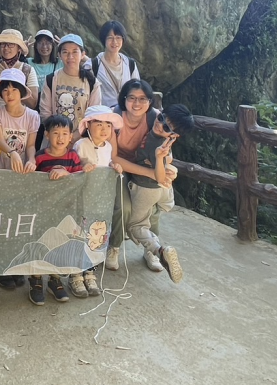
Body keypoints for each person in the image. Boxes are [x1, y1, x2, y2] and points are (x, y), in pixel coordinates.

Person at [125, 104, 195, 283]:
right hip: (163, 192)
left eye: (166, 127)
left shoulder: (154, 144)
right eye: (161, 118)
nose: (160, 124)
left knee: (135, 226)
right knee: (155, 212)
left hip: (146, 188)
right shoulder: (165, 140)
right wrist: (168, 163)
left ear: (174, 134)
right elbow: (167, 162)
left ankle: (158, 250)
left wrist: (160, 159)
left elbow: (158, 176)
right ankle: (154, 245)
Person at [107, 79, 172, 271]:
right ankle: (114, 246)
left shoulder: (156, 118)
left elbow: (167, 149)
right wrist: (151, 173)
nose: (137, 104)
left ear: (150, 101)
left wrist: (166, 171)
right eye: (132, 98)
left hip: (146, 167)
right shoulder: (114, 118)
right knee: (124, 207)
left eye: (143, 99)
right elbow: (114, 157)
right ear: (124, 99)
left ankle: (151, 250)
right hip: (117, 167)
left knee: (152, 207)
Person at [0, 68, 39, 290]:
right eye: (5, 89)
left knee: (18, 222)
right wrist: (12, 152)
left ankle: (15, 266)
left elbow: (30, 145)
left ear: (21, 92)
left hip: (21, 177)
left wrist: (31, 160)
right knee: (1, 221)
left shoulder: (33, 116)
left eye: (13, 89)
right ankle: (1, 267)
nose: (9, 93)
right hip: (1, 172)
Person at [70, 105, 125, 298]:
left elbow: (106, 164)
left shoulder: (109, 147)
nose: (104, 129)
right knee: (79, 231)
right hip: (83, 198)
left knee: (96, 233)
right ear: (88, 126)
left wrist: (113, 165)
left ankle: (90, 270)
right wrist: (83, 165)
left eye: (108, 125)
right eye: (99, 124)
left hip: (101, 200)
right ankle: (75, 272)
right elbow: (74, 165)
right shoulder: (81, 145)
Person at [28, 115, 82, 306]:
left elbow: (79, 180)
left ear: (70, 137)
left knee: (59, 245)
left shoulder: (73, 156)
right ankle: (35, 280)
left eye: (65, 134)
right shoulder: (40, 157)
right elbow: (32, 183)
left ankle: (55, 279)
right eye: (56, 133)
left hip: (64, 211)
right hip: (42, 210)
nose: (60, 138)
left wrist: (67, 173)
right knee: (39, 244)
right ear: (48, 135)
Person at [39, 34, 101, 144]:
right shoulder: (51, 79)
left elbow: (94, 115)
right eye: (65, 52)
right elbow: (45, 112)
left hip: (81, 142)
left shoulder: (92, 82)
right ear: (59, 55)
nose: (70, 56)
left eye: (74, 51)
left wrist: (74, 136)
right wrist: (60, 136)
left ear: (82, 54)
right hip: (55, 141)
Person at [0, 29, 38, 109]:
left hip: (19, 119)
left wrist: (13, 78)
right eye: (3, 44)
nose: (6, 48)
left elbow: (33, 104)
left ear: (19, 48)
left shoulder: (28, 70)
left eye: (11, 44)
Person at [93, 21, 140, 110]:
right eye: (110, 38)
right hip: (103, 117)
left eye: (118, 37)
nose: (114, 42)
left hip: (126, 115)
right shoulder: (94, 65)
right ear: (104, 39)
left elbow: (137, 90)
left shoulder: (130, 64)